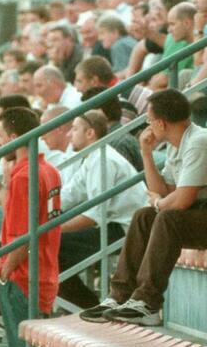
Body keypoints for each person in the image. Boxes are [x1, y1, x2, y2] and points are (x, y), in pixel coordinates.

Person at [80, 90, 207, 326]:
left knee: (167, 218)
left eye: (149, 120)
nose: (148, 125)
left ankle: (147, 303)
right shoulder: (176, 145)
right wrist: (146, 153)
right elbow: (167, 191)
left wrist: (158, 202)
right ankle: (118, 297)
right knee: (144, 216)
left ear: (160, 123)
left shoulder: (200, 142)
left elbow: (180, 201)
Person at [56, 110, 147, 308]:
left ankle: (84, 305)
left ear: (90, 133)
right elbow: (67, 196)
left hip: (128, 230)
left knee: (50, 245)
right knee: (46, 243)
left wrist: (53, 228)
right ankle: (81, 305)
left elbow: (95, 214)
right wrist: (39, 215)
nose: (69, 134)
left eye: (74, 128)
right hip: (111, 225)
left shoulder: (103, 159)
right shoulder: (92, 157)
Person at [0, 107, 62, 347]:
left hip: (22, 277)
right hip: (45, 272)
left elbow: (22, 237)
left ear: (13, 138)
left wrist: (4, 273)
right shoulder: (49, 170)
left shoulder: (24, 176)